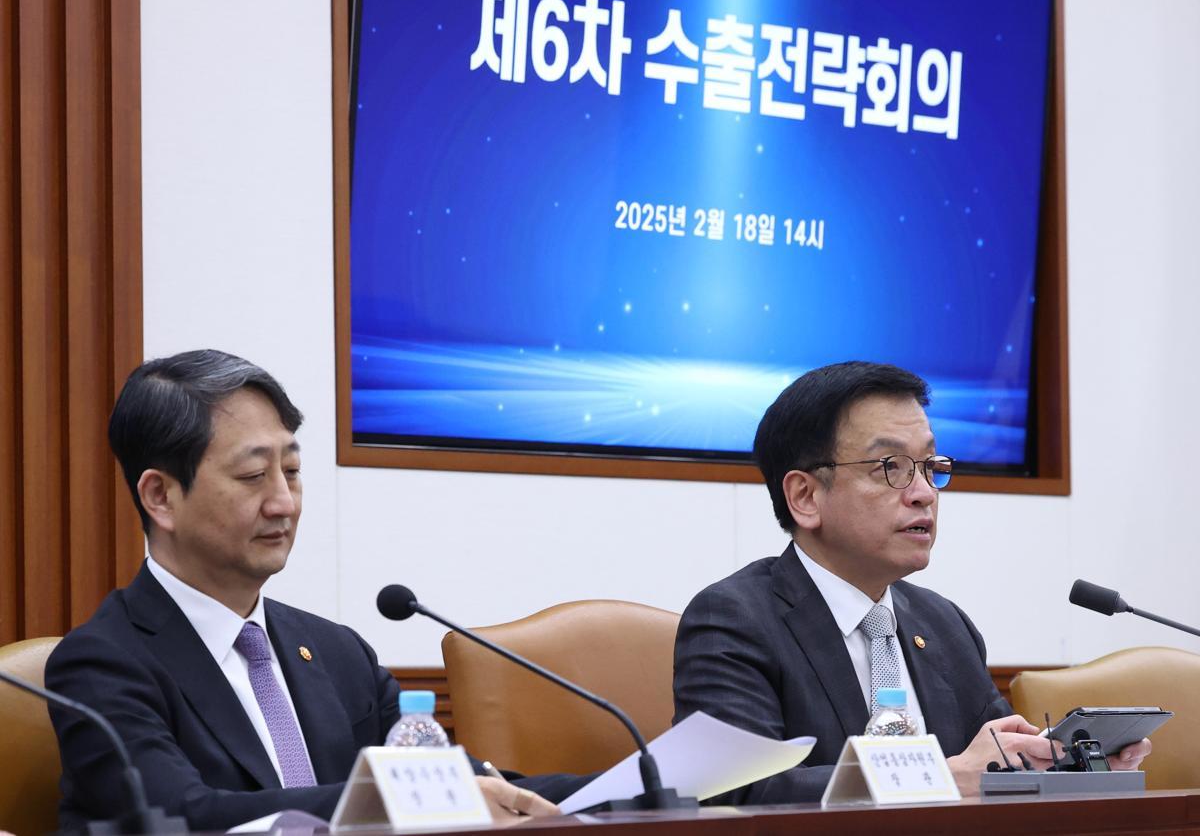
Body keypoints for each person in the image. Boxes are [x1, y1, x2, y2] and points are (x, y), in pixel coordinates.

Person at [46, 350, 583, 831]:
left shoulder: (338, 652)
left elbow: (460, 782)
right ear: (160, 497)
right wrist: (396, 800)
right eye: (253, 476)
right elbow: (183, 816)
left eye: (292, 471)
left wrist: (618, 788)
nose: (284, 502)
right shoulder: (101, 665)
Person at [673, 361, 1150, 802]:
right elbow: (730, 792)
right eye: (891, 467)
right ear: (805, 497)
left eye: (930, 466)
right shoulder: (734, 620)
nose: (924, 493)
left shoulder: (944, 624)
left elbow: (999, 765)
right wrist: (943, 777)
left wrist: (1067, 766)